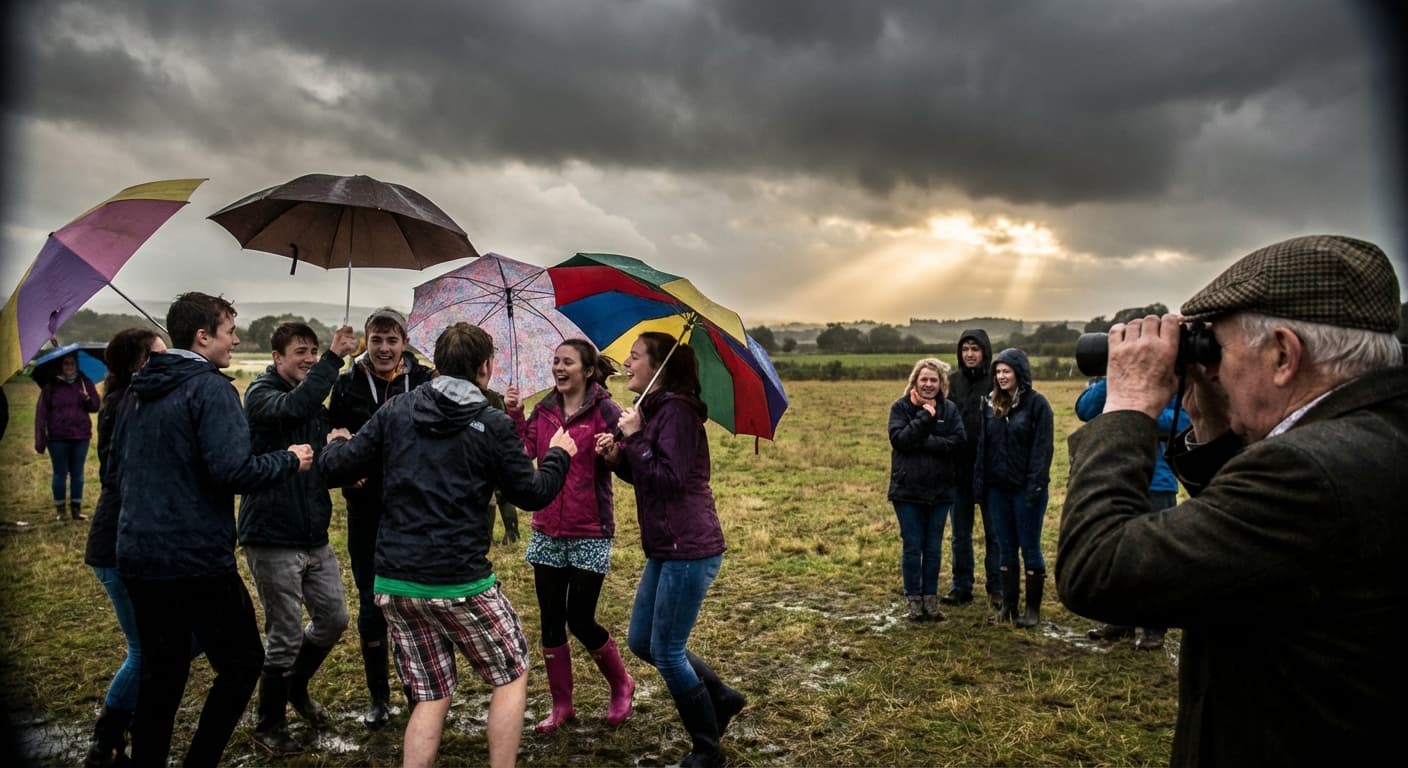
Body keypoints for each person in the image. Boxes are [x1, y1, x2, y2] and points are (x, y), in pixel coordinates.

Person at [1057, 234, 1408, 766]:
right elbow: (1251, 550)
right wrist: (1214, 427)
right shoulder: (1377, 435)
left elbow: (1098, 569)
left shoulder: (1308, 474)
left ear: (1283, 354)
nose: (1211, 369)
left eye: (1217, 349)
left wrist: (1128, 405)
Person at [318, 322, 576, 768]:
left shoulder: (397, 409)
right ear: (486, 367)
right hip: (459, 582)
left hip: (395, 582)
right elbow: (532, 493)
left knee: (432, 694)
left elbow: (337, 467)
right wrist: (558, 456)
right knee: (511, 672)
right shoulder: (492, 424)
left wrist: (335, 445)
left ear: (436, 363)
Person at [115, 292, 313, 768]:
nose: (236, 340)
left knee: (162, 671)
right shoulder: (211, 389)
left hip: (139, 553)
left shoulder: (135, 390)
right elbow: (233, 471)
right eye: (230, 331)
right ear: (203, 336)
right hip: (195, 556)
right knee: (243, 662)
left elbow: (116, 467)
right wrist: (289, 459)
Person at [596, 331, 745, 768]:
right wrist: (619, 458)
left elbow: (670, 480)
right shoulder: (655, 410)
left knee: (667, 651)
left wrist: (634, 438)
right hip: (667, 544)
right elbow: (649, 475)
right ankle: (721, 696)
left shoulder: (677, 412)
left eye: (635, 356)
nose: (627, 363)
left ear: (659, 366)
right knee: (643, 641)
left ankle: (707, 750)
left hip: (689, 546)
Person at [238, 321, 357, 753]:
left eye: (312, 350)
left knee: (334, 618)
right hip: (272, 533)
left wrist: (341, 454)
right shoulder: (262, 394)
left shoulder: (310, 403)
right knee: (285, 633)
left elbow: (318, 464)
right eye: (300, 351)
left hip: (313, 534)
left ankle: (296, 686)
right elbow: (294, 407)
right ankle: (268, 725)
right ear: (277, 358)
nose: (308, 358)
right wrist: (334, 356)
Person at [504, 339, 634, 733]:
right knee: (550, 621)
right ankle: (562, 705)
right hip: (547, 526)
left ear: (588, 371)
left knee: (580, 618)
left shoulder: (606, 410)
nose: (559, 368)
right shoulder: (544, 410)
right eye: (555, 361)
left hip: (590, 529)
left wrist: (614, 450)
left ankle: (621, 684)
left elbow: (627, 458)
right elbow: (522, 453)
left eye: (568, 362)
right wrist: (514, 414)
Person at [328, 306, 433, 728]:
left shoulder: (424, 382)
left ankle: (417, 694)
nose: (384, 348)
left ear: (405, 343)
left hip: (413, 512)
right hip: (365, 509)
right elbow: (333, 436)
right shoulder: (346, 384)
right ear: (365, 342)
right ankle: (378, 698)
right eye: (376, 340)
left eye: (392, 340)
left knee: (412, 605)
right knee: (372, 605)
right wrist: (345, 466)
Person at [82, 328, 166, 768]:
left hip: (133, 541)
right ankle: (107, 742)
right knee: (145, 650)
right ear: (138, 364)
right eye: (159, 355)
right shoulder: (125, 405)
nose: (168, 361)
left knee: (170, 643)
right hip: (116, 545)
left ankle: (122, 728)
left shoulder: (131, 400)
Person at [1075, 377, 1189, 650]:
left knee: (1155, 557)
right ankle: (1120, 620)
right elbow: (1085, 409)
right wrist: (1113, 374)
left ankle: (1154, 628)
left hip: (1157, 480)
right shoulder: (1118, 379)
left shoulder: (1170, 379)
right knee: (1117, 553)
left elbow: (1183, 421)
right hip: (1118, 478)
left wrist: (1133, 411)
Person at [974, 347, 1053, 629]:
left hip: (1027, 489)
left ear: (1019, 372)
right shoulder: (990, 404)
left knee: (1029, 547)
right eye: (998, 371)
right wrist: (980, 485)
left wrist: (1035, 487)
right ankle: (1008, 606)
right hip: (998, 490)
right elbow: (984, 447)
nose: (1001, 376)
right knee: (1005, 547)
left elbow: (1043, 450)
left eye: (1006, 371)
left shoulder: (1038, 405)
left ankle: (1032, 610)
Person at [887, 358, 966, 621]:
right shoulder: (900, 408)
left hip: (940, 492)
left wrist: (924, 442)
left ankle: (930, 600)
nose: (929, 384)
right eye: (924, 379)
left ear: (942, 384)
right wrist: (925, 416)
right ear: (915, 381)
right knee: (913, 546)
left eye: (934, 380)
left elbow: (958, 442)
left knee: (933, 548)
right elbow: (899, 439)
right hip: (907, 491)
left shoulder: (950, 410)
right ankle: (913, 600)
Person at [943, 330, 1000, 608]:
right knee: (960, 533)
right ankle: (962, 585)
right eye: (965, 349)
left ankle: (997, 587)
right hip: (958, 470)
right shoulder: (951, 382)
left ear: (985, 351)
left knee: (994, 533)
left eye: (975, 349)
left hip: (991, 469)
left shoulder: (996, 381)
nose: (969, 354)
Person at [35, 351, 100, 520]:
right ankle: (61, 511)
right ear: (60, 366)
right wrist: (40, 440)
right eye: (66, 363)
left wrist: (87, 399)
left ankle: (76, 510)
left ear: (77, 365)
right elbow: (41, 414)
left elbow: (95, 407)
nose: (69, 366)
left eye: (72, 363)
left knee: (78, 474)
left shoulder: (84, 382)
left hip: (81, 436)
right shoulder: (50, 386)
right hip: (57, 437)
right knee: (60, 473)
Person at [482, 384, 522, 545]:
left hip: (489, 451)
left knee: (491, 495)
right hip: (501, 450)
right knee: (502, 493)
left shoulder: (487, 397)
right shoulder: (498, 397)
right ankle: (511, 533)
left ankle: (489, 537)